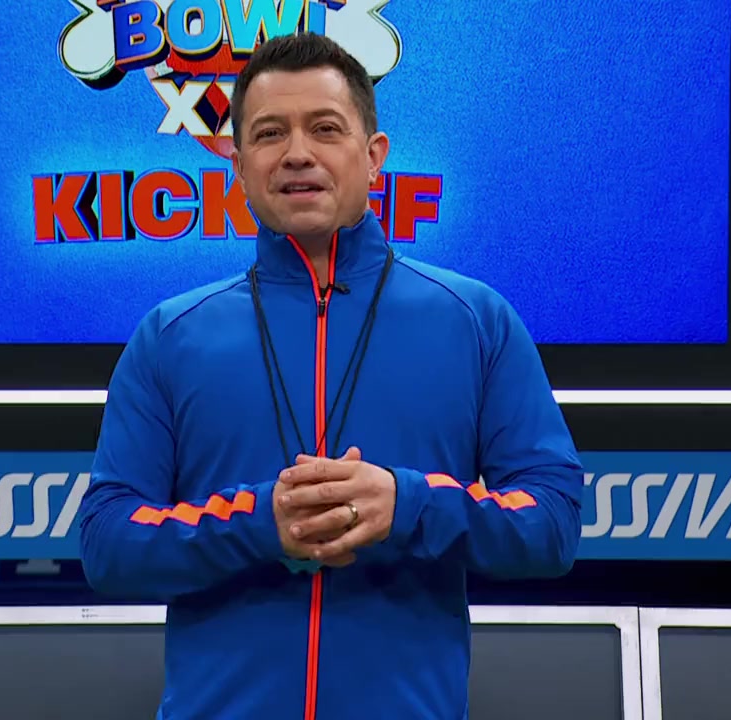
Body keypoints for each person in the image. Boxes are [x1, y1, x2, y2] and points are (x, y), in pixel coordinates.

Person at [79, 32, 583, 720]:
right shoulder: (170, 336)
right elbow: (108, 543)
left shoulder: (475, 320)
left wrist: (407, 506)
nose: (297, 153)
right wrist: (260, 523)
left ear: (373, 157)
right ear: (238, 165)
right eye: (269, 133)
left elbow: (553, 522)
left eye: (325, 128)